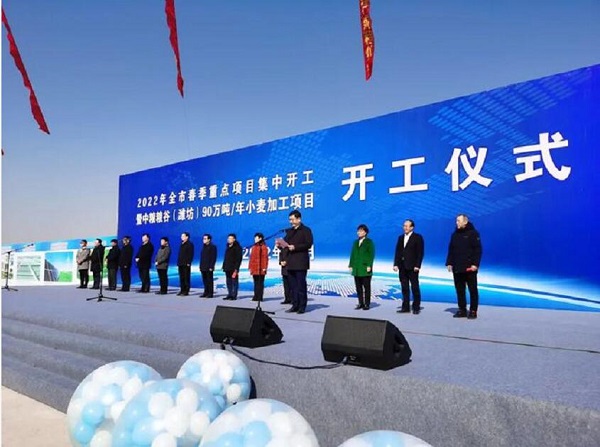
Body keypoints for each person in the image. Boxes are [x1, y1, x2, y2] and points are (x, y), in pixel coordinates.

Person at [446, 214, 482, 319]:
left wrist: (475, 264)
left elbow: (478, 250)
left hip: (470, 267)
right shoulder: (454, 234)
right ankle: (462, 309)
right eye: (456, 220)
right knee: (460, 290)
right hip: (457, 267)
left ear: (465, 222)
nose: (456, 222)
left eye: (458, 220)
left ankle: (473, 310)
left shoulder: (473, 233)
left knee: (472, 290)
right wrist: (449, 262)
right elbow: (451, 249)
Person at [282, 210, 313, 314]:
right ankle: (295, 305)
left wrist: (295, 247)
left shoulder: (306, 230)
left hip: (300, 263)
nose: (291, 222)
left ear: (299, 219)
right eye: (290, 220)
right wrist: (280, 244)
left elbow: (308, 244)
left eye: (292, 219)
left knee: (301, 286)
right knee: (293, 287)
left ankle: (302, 306)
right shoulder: (290, 231)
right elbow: (285, 243)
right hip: (290, 262)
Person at [393, 219, 425, 314]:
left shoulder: (418, 237)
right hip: (402, 267)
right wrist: (396, 264)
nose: (405, 228)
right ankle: (405, 307)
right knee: (404, 288)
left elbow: (420, 253)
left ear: (412, 227)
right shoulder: (400, 238)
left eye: (407, 226)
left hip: (413, 267)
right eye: (404, 226)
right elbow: (398, 252)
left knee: (415, 287)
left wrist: (417, 265)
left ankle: (416, 307)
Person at [348, 224, 375, 310]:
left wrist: (369, 265)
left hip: (365, 268)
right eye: (358, 231)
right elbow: (352, 254)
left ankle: (367, 304)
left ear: (365, 232)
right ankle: (361, 303)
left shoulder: (369, 242)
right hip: (357, 268)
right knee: (358, 287)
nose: (358, 232)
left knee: (366, 287)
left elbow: (371, 254)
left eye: (360, 231)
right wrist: (351, 265)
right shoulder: (355, 242)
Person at [249, 232, 269, 302]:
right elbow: (251, 258)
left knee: (260, 283)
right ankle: (255, 296)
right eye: (254, 238)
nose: (255, 239)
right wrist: (250, 267)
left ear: (260, 238)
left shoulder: (263, 247)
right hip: (254, 268)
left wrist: (264, 267)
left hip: (261, 268)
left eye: (256, 238)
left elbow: (265, 258)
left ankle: (260, 296)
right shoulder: (253, 247)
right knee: (255, 282)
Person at [222, 234, 243, 300]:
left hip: (233, 268)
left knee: (234, 282)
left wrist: (236, 269)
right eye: (228, 238)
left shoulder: (237, 248)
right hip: (227, 267)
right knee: (228, 282)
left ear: (234, 239)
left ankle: (234, 295)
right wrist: (224, 266)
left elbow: (238, 259)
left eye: (230, 238)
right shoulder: (227, 247)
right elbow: (226, 258)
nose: (229, 240)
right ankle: (230, 294)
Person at [200, 234, 217, 298]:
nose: (203, 240)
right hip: (203, 266)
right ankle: (205, 292)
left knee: (209, 280)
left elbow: (213, 257)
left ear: (209, 239)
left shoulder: (213, 247)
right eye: (203, 239)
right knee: (204, 280)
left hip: (209, 266)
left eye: (205, 239)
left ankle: (210, 293)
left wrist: (211, 266)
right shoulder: (203, 247)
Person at [177, 232, 194, 296]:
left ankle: (186, 291)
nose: (181, 237)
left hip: (186, 263)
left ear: (187, 237)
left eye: (183, 236)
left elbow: (191, 254)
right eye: (181, 236)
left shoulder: (190, 244)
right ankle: (182, 290)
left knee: (186, 277)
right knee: (181, 277)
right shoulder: (182, 244)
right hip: (180, 263)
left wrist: (189, 262)